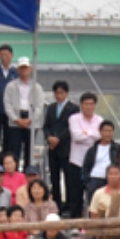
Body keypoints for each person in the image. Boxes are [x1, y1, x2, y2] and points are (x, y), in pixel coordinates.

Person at [65, 92, 103, 218]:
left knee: (93, 196)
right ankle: (75, 224)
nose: (88, 107)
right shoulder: (74, 118)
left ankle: (93, 223)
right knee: (75, 196)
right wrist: (92, 134)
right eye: (86, 104)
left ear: (95, 106)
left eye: (91, 104)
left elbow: (99, 138)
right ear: (81, 105)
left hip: (93, 164)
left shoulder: (100, 120)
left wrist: (86, 134)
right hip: (76, 161)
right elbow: (76, 136)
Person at [43, 80, 78, 212]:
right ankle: (56, 204)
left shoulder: (73, 109)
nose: (59, 95)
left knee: (68, 178)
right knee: (54, 177)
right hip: (53, 148)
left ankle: (69, 205)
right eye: (57, 93)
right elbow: (46, 126)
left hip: (66, 148)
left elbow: (71, 128)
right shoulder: (51, 108)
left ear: (67, 93)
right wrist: (49, 138)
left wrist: (59, 139)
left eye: (61, 93)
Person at [2, 56, 43, 168]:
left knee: (29, 151)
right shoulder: (10, 86)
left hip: (31, 121)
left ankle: (28, 173)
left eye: (26, 68)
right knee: (15, 149)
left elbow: (40, 106)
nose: (24, 70)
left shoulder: (37, 87)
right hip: (15, 120)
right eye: (21, 68)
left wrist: (32, 119)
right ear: (17, 70)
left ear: (30, 69)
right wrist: (16, 119)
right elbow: (7, 104)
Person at [82, 120, 120, 207]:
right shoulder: (92, 150)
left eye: (110, 131)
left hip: (112, 179)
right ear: (100, 132)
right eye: (106, 131)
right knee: (95, 206)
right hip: (94, 179)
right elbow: (85, 167)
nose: (108, 134)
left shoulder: (117, 148)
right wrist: (87, 183)